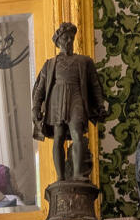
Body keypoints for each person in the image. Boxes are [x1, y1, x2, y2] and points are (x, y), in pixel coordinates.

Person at [31, 22, 107, 183]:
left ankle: (78, 174)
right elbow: (40, 89)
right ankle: (60, 177)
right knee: (58, 136)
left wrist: (100, 104)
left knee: (77, 133)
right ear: (58, 41)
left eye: (71, 38)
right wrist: (36, 107)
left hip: (76, 97)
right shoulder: (50, 64)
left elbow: (94, 85)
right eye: (65, 38)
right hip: (56, 101)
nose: (69, 41)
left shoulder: (84, 61)